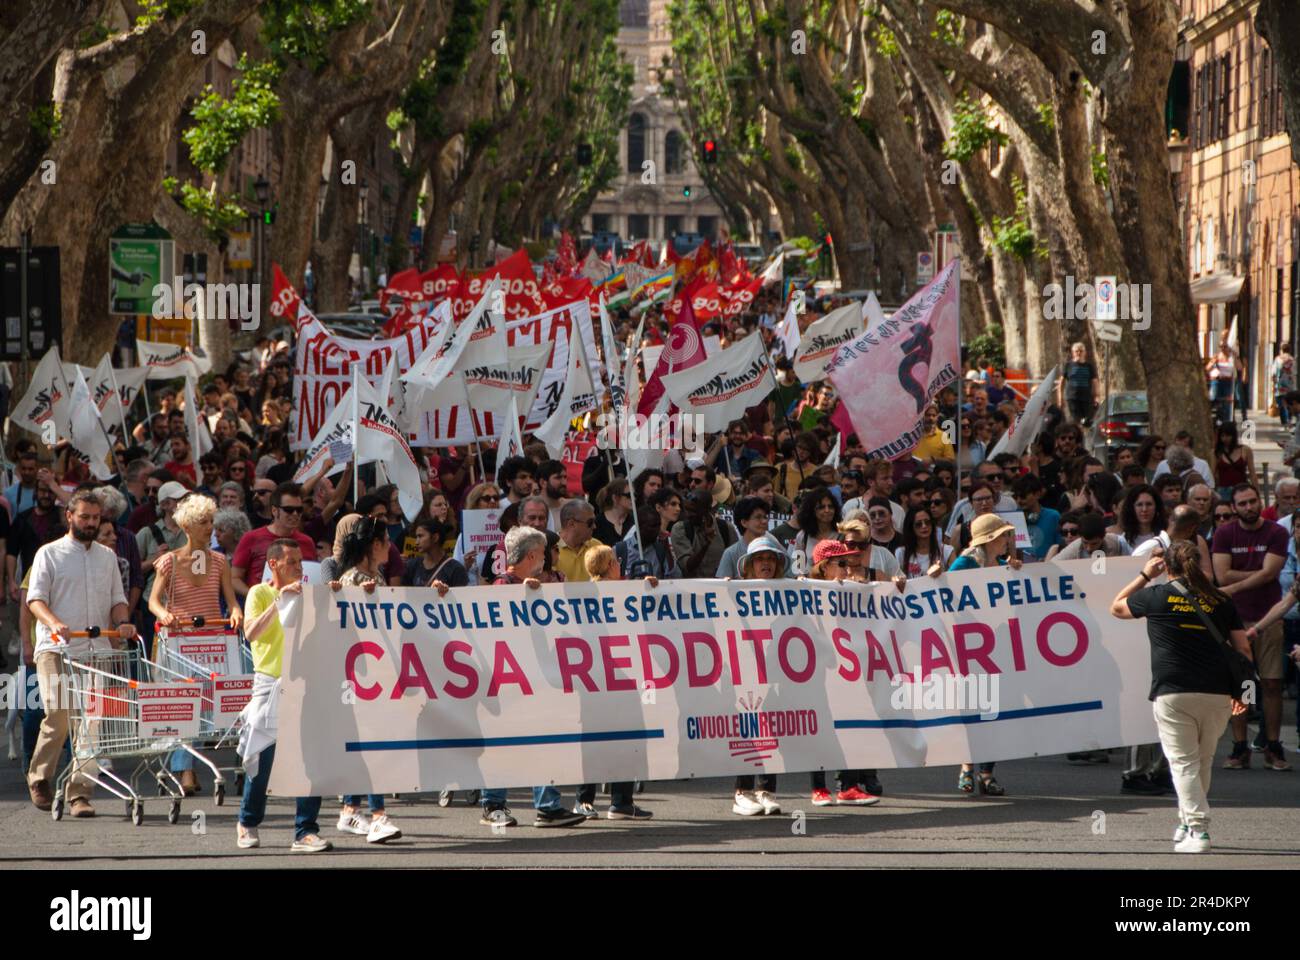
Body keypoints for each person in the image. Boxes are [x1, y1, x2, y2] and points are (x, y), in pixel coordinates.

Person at [1110, 543, 1248, 853]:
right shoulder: (1221, 599)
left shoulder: (1155, 596)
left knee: (1184, 764)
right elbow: (1244, 651)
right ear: (1199, 565)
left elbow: (1116, 606)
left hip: (1173, 691)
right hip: (1217, 693)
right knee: (1202, 762)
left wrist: (1146, 573)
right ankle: (1186, 821)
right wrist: (1245, 695)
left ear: (1167, 567)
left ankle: (1198, 830)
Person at [25, 491, 135, 817]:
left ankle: (79, 794)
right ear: (69, 516)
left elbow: (118, 599)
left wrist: (123, 622)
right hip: (56, 648)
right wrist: (55, 622)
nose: (90, 523)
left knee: (93, 723)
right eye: (84, 517)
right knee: (58, 714)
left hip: (96, 650)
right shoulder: (49, 553)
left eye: (95, 518)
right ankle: (40, 776)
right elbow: (35, 600)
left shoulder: (107, 556)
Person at [478, 526, 586, 829]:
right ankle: (493, 804)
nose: (548, 558)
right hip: (507, 681)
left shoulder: (540, 585)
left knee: (544, 740)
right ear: (532, 555)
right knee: (502, 743)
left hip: (538, 678)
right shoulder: (503, 585)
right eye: (543, 552)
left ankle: (548, 806)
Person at [236, 539, 331, 851]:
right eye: (291, 562)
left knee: (311, 760)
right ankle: (248, 821)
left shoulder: (308, 596)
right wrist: (279, 601)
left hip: (305, 682)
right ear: (273, 564)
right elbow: (251, 633)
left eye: (301, 562)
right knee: (263, 761)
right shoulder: (259, 593)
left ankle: (305, 830)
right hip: (270, 683)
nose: (298, 568)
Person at [148, 494, 245, 795]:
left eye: (211, 522)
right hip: (178, 642)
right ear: (188, 527)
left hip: (213, 642)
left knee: (206, 707)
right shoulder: (169, 562)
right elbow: (153, 601)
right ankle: (185, 770)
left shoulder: (219, 561)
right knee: (183, 706)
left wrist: (237, 613)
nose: (210, 528)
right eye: (204, 523)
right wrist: (164, 613)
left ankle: (186, 765)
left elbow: (231, 601)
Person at [325, 516, 403, 843]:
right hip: (360, 675)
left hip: (373, 672)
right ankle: (378, 816)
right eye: (386, 540)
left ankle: (349, 810)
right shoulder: (354, 580)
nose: (391, 547)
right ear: (375, 545)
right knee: (373, 745)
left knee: (365, 745)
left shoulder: (375, 577)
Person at [572, 545, 655, 821]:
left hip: (596, 681)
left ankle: (585, 800)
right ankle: (620, 801)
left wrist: (647, 588)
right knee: (626, 738)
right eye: (616, 562)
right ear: (610, 566)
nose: (620, 565)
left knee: (592, 740)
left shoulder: (586, 594)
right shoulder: (620, 593)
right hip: (618, 679)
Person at [1211, 483, 1290, 770]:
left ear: (1260, 502)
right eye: (1242, 503)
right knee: (1241, 685)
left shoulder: (1276, 532)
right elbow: (1221, 574)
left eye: (1252, 501)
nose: (1248, 507)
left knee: (1272, 682)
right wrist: (1250, 578)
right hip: (1235, 620)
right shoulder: (1224, 533)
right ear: (1234, 507)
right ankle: (1240, 745)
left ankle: (1273, 744)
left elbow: (1271, 573)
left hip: (1269, 616)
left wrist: (1235, 584)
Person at [947, 513, 1022, 796]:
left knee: (993, 711)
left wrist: (1015, 572)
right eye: (1004, 536)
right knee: (972, 709)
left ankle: (987, 773)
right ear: (990, 539)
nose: (1008, 541)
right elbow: (944, 596)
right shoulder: (964, 564)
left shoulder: (1004, 566)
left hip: (998, 646)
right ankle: (967, 766)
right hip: (969, 646)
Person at [231, 482, 317, 596]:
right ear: (274, 511)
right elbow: (234, 578)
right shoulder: (251, 538)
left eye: (299, 510)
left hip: (297, 608)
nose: (295, 514)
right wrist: (255, 597)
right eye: (289, 510)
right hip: (261, 609)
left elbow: (312, 578)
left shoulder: (307, 542)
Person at [671, 490, 737, 579]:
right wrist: (706, 544)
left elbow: (735, 562)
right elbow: (687, 567)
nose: (688, 515)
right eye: (687, 509)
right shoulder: (680, 529)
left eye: (694, 511)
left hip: (721, 588)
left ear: (707, 510)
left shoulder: (725, 528)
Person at [402, 519, 468, 588]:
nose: (416, 542)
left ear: (435, 537)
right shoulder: (411, 566)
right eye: (417, 537)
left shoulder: (455, 569)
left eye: (420, 536)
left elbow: (461, 596)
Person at [554, 498, 604, 582]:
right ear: (572, 524)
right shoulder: (551, 548)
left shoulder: (597, 546)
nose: (594, 526)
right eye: (590, 522)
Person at [897, 505, 952, 578]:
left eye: (927, 522)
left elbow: (957, 577)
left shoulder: (946, 551)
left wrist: (942, 574)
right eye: (918, 524)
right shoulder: (901, 553)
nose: (924, 526)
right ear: (911, 527)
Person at [1212, 422, 1256, 502]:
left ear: (1233, 436)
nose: (1225, 439)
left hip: (1242, 489)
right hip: (1223, 492)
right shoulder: (1217, 453)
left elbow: (1252, 473)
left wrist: (1256, 492)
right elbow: (1212, 473)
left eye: (1228, 436)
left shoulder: (1245, 450)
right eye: (1222, 436)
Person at [1205, 330, 1242, 424]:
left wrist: (1235, 357)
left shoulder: (1231, 357)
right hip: (1217, 381)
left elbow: (1239, 367)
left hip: (1228, 382)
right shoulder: (1217, 356)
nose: (1222, 349)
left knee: (1228, 403)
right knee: (1214, 399)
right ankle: (1214, 419)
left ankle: (1226, 422)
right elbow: (1207, 369)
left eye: (1224, 347)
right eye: (1221, 347)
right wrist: (1213, 362)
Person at [1273, 342, 1295, 426]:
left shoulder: (1278, 359)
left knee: (1281, 403)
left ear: (1282, 350)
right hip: (1290, 385)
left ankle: (1284, 421)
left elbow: (1274, 372)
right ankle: (1289, 419)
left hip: (1280, 385)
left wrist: (1274, 383)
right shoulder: (1292, 359)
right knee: (1289, 402)